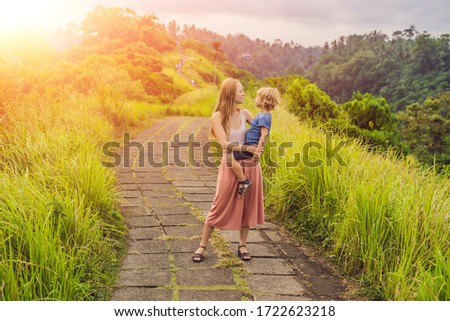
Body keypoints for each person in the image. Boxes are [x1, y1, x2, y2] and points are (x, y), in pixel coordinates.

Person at [192, 78, 265, 262]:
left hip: (250, 165)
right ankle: (202, 246)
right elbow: (225, 144)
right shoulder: (217, 117)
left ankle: (242, 245)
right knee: (218, 204)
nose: (244, 94)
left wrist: (259, 144)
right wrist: (247, 149)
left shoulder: (245, 113)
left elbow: (262, 128)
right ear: (231, 93)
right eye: (240, 91)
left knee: (247, 206)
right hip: (230, 165)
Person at [227, 87, 280, 197]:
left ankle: (243, 180)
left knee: (230, 158)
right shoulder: (263, 115)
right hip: (250, 144)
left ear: (264, 101)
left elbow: (264, 134)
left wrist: (258, 151)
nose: (255, 99)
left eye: (257, 97)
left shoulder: (264, 116)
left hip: (252, 146)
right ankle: (242, 180)